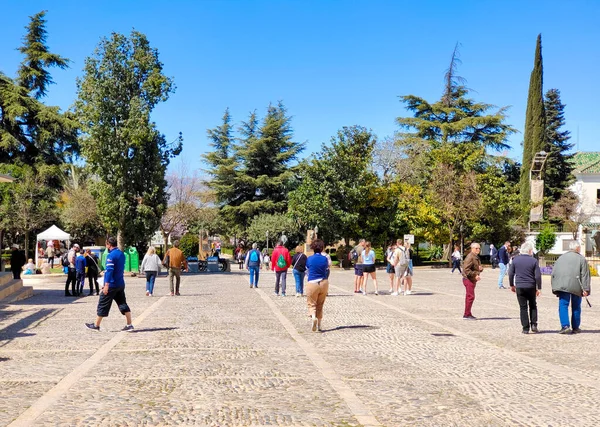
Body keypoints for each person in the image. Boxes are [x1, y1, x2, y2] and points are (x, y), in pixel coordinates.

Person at [85, 236, 133, 331]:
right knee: (122, 303)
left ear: (108, 245)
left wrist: (106, 285)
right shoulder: (121, 254)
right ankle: (129, 324)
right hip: (120, 283)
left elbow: (110, 270)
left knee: (103, 303)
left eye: (106, 244)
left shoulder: (110, 255)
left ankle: (96, 325)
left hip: (111, 284)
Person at [551, 241, 591, 334]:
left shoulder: (561, 258)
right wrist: (586, 289)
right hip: (577, 285)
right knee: (576, 306)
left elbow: (554, 272)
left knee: (563, 305)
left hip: (562, 285)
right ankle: (576, 327)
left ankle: (565, 325)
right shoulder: (581, 259)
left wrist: (555, 286)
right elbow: (585, 275)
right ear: (577, 248)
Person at [508, 242, 542, 334]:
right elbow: (538, 275)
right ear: (530, 251)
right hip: (531, 286)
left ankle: (525, 328)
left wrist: (511, 284)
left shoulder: (515, 260)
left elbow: (510, 273)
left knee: (523, 307)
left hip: (520, 286)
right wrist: (539, 288)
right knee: (533, 305)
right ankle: (534, 324)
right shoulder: (534, 261)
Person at [305, 239, 330, 332]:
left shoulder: (309, 259)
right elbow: (327, 268)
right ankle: (319, 325)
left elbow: (307, 269)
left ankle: (313, 317)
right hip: (323, 282)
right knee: (320, 304)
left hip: (312, 282)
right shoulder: (325, 259)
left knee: (311, 303)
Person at [462, 242, 483, 320]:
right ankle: (466, 314)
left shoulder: (475, 257)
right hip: (468, 279)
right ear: (472, 248)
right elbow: (466, 269)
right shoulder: (470, 257)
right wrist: (475, 275)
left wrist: (480, 269)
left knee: (470, 296)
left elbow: (477, 267)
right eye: (476, 248)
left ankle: (468, 313)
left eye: (479, 248)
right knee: (470, 296)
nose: (478, 250)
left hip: (472, 279)